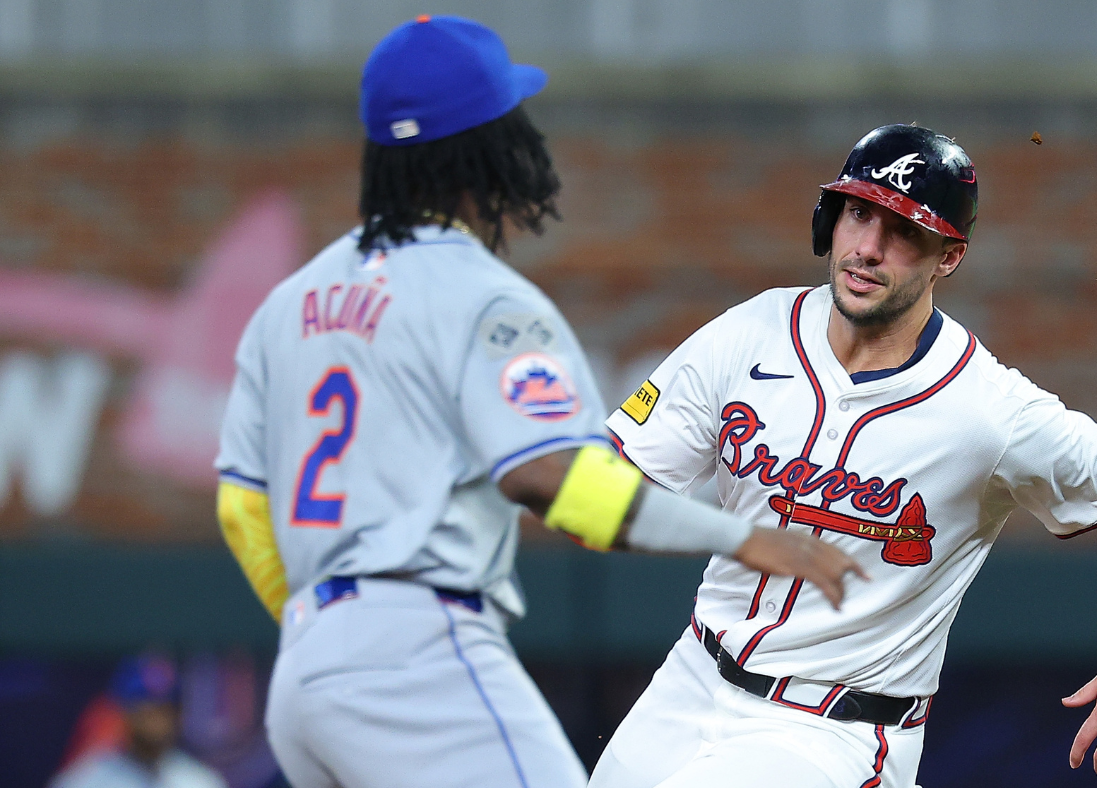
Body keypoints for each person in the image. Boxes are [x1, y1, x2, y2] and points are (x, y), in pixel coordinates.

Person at [213, 14, 860, 788]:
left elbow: (242, 509)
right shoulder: (484, 299)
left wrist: (325, 630)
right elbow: (555, 480)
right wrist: (745, 538)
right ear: (485, 149)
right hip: (418, 649)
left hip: (303, 671)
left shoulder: (291, 303)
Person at [592, 124, 1097, 788]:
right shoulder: (752, 332)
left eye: (904, 231)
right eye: (860, 214)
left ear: (948, 257)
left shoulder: (990, 410)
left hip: (832, 733)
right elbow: (608, 486)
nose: (869, 248)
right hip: (690, 681)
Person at [49, 654, 228, 788]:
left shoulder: (200, 782)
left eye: (163, 708)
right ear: (123, 711)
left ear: (178, 714)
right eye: (144, 707)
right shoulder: (84, 780)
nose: (155, 719)